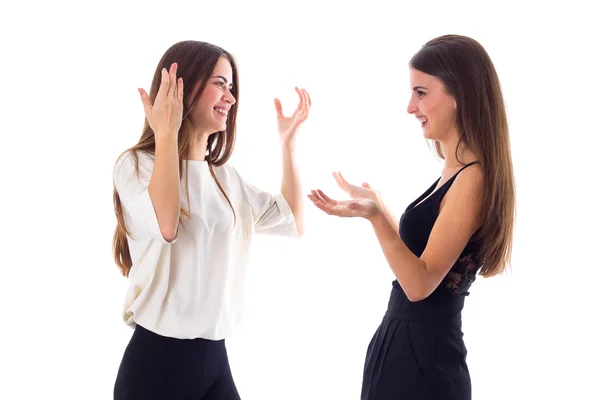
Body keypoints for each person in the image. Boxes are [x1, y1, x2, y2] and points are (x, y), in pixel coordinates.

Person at [308, 34, 515, 399]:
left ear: (459, 95)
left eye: (421, 92)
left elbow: (419, 286)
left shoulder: (473, 178)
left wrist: (376, 219)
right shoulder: (454, 172)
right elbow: (421, 261)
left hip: (424, 363)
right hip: (404, 349)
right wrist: (379, 208)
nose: (410, 107)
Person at [111, 40, 310, 399]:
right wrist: (167, 132)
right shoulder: (137, 166)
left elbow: (293, 221)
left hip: (215, 358)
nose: (230, 99)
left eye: (231, 88)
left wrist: (288, 145)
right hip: (156, 365)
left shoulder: (226, 179)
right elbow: (166, 226)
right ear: (182, 87)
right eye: (220, 84)